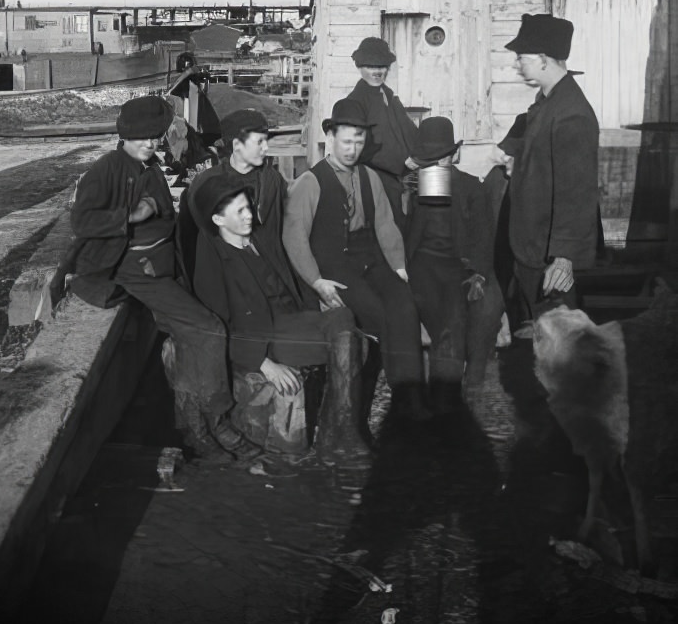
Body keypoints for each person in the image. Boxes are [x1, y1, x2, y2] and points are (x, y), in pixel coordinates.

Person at [67, 95, 259, 460]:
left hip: (161, 265)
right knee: (209, 328)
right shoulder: (106, 170)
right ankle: (216, 421)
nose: (151, 143)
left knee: (193, 335)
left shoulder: (149, 165)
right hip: (136, 272)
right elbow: (82, 221)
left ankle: (194, 427)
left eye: (155, 136)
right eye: (142, 138)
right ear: (123, 136)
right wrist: (131, 215)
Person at [191, 175, 370, 461]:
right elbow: (217, 324)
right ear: (218, 220)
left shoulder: (260, 240)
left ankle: (336, 434)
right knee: (352, 343)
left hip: (292, 322)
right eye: (239, 211)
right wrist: (264, 364)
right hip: (264, 339)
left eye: (248, 207)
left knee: (344, 319)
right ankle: (339, 434)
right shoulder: (215, 260)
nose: (249, 214)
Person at [282, 98, 427, 420]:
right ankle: (381, 397)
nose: (352, 149)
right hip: (333, 265)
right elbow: (294, 238)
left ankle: (410, 397)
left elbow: (386, 225)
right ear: (330, 139)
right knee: (378, 314)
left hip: (369, 259)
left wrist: (399, 268)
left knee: (404, 304)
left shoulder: (370, 177)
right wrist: (316, 281)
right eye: (346, 141)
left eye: (358, 142)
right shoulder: (309, 182)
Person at [403, 117, 504, 409]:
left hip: (457, 266)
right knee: (442, 319)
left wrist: (479, 274)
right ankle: (441, 399)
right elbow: (403, 233)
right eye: (429, 161)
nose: (436, 167)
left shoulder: (472, 187)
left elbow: (483, 238)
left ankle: (448, 399)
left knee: (455, 319)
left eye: (442, 158)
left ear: (455, 154)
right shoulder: (414, 186)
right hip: (421, 265)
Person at [504, 13, 600, 318]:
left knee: (562, 340)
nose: (518, 64)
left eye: (523, 57)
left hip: (551, 254)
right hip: (533, 244)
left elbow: (576, 193)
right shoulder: (547, 101)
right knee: (547, 337)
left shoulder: (571, 114)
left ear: (544, 59)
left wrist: (564, 257)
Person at [177, 108, 291, 290]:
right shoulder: (206, 183)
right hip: (223, 278)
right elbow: (190, 236)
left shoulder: (273, 180)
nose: (266, 148)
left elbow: (284, 228)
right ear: (237, 145)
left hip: (269, 275)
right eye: (259, 142)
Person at [346, 36, 421, 232]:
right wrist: (401, 164)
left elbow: (408, 131)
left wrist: (423, 152)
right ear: (359, 67)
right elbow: (356, 148)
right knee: (383, 233)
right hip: (371, 181)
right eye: (371, 66)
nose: (377, 71)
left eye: (382, 66)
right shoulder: (355, 102)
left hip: (397, 179)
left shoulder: (388, 96)